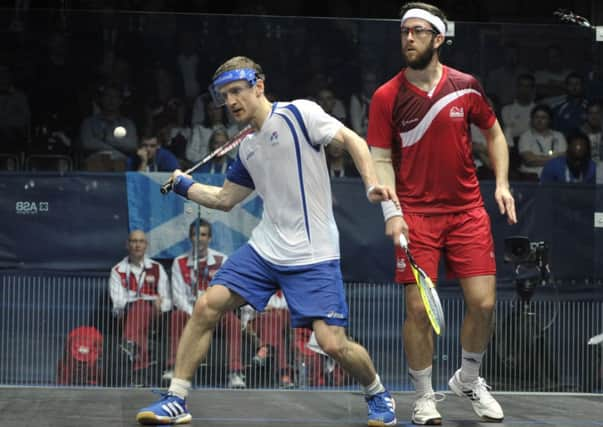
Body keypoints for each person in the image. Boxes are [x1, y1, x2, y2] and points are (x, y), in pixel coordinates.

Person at [136, 55, 399, 426]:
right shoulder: (246, 147)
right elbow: (224, 200)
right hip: (265, 249)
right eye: (224, 95)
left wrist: (372, 181)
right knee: (206, 306)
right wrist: (184, 185)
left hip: (313, 254)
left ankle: (377, 393)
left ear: (258, 86)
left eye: (237, 91)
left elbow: (353, 140)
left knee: (333, 343)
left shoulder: (300, 114)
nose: (230, 101)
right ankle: (176, 398)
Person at [367, 3, 517, 424]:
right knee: (417, 311)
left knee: (483, 304)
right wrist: (391, 212)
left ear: (438, 39)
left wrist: (502, 183)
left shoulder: (466, 86)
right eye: (403, 32)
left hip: (467, 210)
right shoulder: (386, 96)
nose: (407, 38)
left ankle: (468, 379)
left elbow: (494, 132)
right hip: (415, 214)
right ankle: (423, 396)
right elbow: (380, 159)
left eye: (416, 31)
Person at [167, 219, 246, 388]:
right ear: (190, 237)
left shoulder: (222, 260)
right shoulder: (179, 262)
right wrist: (195, 314)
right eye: (195, 234)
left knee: (233, 321)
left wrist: (212, 311)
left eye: (203, 235)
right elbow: (178, 296)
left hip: (217, 313)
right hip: (189, 313)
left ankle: (235, 372)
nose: (199, 239)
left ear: (209, 238)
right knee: (176, 316)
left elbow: (228, 291)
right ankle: (173, 368)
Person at [109, 230, 172, 386]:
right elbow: (118, 302)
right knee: (139, 307)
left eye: (141, 241)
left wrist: (160, 305)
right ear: (127, 245)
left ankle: (129, 344)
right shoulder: (118, 270)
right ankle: (138, 364)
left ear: (146, 245)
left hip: (156, 316)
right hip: (125, 316)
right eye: (133, 241)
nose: (137, 245)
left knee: (142, 307)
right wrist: (145, 300)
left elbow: (168, 300)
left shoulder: (157, 268)